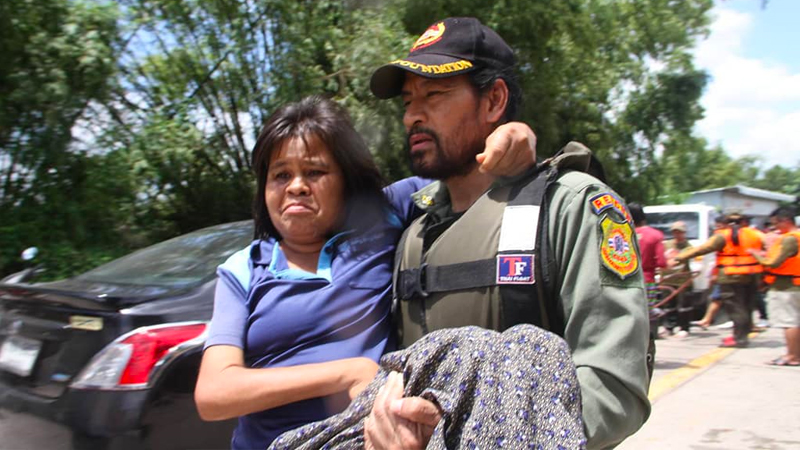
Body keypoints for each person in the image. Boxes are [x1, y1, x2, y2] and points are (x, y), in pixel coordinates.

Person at [364, 17, 651, 450]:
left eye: (434, 95)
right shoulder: (413, 232)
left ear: (494, 100)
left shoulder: (572, 206)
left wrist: (476, 429)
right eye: (407, 102)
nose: (412, 116)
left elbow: (615, 385)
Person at [193, 95, 538, 448]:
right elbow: (215, 393)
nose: (296, 185)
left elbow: (469, 173)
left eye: (315, 172)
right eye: (280, 175)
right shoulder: (245, 269)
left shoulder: (384, 216)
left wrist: (516, 134)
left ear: (346, 182)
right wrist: (347, 373)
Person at [674, 212, 764, 347]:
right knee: (746, 307)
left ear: (727, 222)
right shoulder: (755, 234)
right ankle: (742, 335)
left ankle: (739, 339)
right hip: (751, 276)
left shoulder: (723, 235)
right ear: (743, 221)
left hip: (729, 276)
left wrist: (680, 257)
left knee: (736, 308)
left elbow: (702, 249)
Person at [750, 206, 800, 366]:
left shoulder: (790, 239)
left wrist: (756, 255)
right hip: (794, 283)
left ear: (785, 221)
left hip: (787, 287)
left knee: (789, 322)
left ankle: (792, 356)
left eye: (775, 223)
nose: (774, 228)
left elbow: (774, 263)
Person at [630, 203, 667, 307]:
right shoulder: (655, 235)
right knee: (647, 314)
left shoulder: (622, 234)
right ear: (643, 217)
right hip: (647, 280)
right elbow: (662, 262)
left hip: (625, 282)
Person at [662, 221, 694, 337]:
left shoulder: (688, 246)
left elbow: (684, 258)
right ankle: (669, 327)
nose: (677, 234)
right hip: (668, 278)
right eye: (675, 231)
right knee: (669, 304)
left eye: (679, 232)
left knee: (684, 304)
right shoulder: (667, 244)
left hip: (682, 279)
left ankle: (684, 327)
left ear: (684, 233)